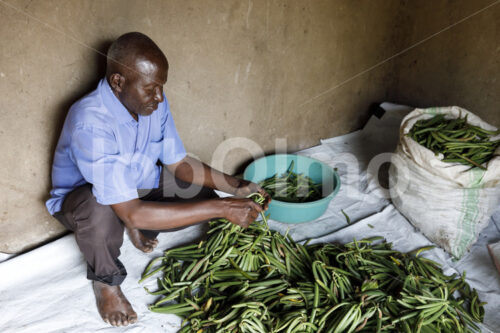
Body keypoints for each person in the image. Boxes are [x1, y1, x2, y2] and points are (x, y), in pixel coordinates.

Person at [46, 32, 270, 327]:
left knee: (202, 195)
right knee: (100, 212)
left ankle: (142, 224)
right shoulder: (90, 121)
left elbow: (180, 164)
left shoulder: (152, 104)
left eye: (161, 87)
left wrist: (236, 186)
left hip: (137, 186)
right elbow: (130, 208)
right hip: (86, 200)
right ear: (118, 82)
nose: (160, 97)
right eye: (151, 88)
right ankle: (106, 282)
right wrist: (224, 209)